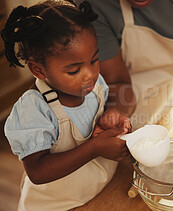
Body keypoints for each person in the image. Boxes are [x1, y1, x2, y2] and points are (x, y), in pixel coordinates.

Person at [1, 1, 135, 210]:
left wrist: (114, 114)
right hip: (55, 206)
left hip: (97, 193)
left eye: (94, 60)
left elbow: (122, 95)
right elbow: (37, 171)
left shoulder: (95, 87)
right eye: (74, 70)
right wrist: (94, 148)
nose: (90, 74)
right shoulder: (34, 109)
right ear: (39, 71)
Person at [74, 0, 173, 131]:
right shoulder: (94, 5)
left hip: (166, 104)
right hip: (120, 110)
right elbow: (117, 82)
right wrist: (117, 115)